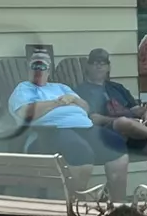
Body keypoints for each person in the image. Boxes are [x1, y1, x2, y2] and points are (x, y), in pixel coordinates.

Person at [8, 51, 129, 201]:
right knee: (81, 152)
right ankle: (75, 206)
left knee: (117, 146)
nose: (39, 69)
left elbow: (85, 107)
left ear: (49, 70)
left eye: (43, 65)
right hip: (48, 133)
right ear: (29, 69)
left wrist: (73, 99)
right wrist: (57, 102)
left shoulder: (61, 87)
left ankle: (119, 207)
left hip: (84, 127)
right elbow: (25, 113)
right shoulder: (24, 88)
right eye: (35, 65)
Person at [75, 48, 147, 192]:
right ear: (88, 66)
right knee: (123, 122)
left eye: (103, 63)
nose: (99, 66)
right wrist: (119, 121)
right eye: (95, 63)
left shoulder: (117, 88)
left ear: (108, 67)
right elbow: (93, 118)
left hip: (133, 133)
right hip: (108, 137)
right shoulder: (81, 91)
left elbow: (135, 109)